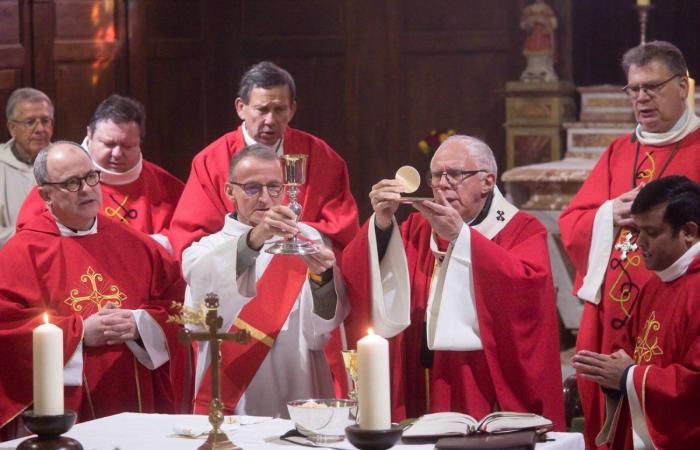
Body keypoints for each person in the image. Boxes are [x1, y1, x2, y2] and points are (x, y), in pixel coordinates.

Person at [342, 135, 565, 428]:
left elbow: (528, 291)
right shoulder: (419, 227)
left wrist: (464, 238)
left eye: (455, 174)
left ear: (488, 181)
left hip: (479, 375)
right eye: (436, 175)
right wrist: (382, 224)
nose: (443, 184)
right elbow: (357, 273)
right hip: (421, 368)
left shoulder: (522, 229)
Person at [558, 40, 700, 449]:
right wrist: (606, 215)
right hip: (612, 318)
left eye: (652, 86)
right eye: (633, 89)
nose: (642, 97)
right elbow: (572, 222)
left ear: (683, 86)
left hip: (680, 314)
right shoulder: (619, 151)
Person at [0, 142, 188, 438]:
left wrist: (140, 323)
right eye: (72, 183)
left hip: (137, 402)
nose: (87, 189)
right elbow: (7, 330)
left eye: (90, 177)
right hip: (64, 415)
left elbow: (178, 305)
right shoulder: (21, 254)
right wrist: (80, 333)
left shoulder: (137, 244)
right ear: (46, 195)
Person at [182, 144, 348, 417]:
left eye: (274, 187)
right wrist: (256, 237)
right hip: (236, 394)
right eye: (251, 188)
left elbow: (322, 328)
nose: (265, 198)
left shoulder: (306, 240)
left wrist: (322, 278)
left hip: (298, 383)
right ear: (228, 191)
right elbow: (201, 315)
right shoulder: (205, 250)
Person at [168, 61, 358, 258]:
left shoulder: (321, 158)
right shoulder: (210, 161)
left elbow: (342, 233)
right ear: (241, 108)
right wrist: (255, 240)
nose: (270, 120)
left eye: (279, 110)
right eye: (262, 109)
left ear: (292, 109)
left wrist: (289, 239)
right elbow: (192, 240)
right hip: (236, 277)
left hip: (301, 275)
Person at [572, 175, 700, 450]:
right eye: (638, 230)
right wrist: (613, 373)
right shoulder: (657, 285)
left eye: (651, 233)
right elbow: (635, 355)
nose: (638, 242)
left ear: (688, 232)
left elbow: (695, 383)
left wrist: (629, 375)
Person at [16, 94, 184, 252]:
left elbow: (188, 236)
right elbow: (28, 242)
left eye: (127, 146)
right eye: (108, 144)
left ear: (140, 141)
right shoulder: (56, 183)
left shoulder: (167, 187)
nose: (117, 154)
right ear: (90, 134)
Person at [0, 87, 54, 247]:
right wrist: (35, 234)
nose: (40, 129)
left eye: (45, 121)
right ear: (11, 128)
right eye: (30, 122)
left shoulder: (66, 163)